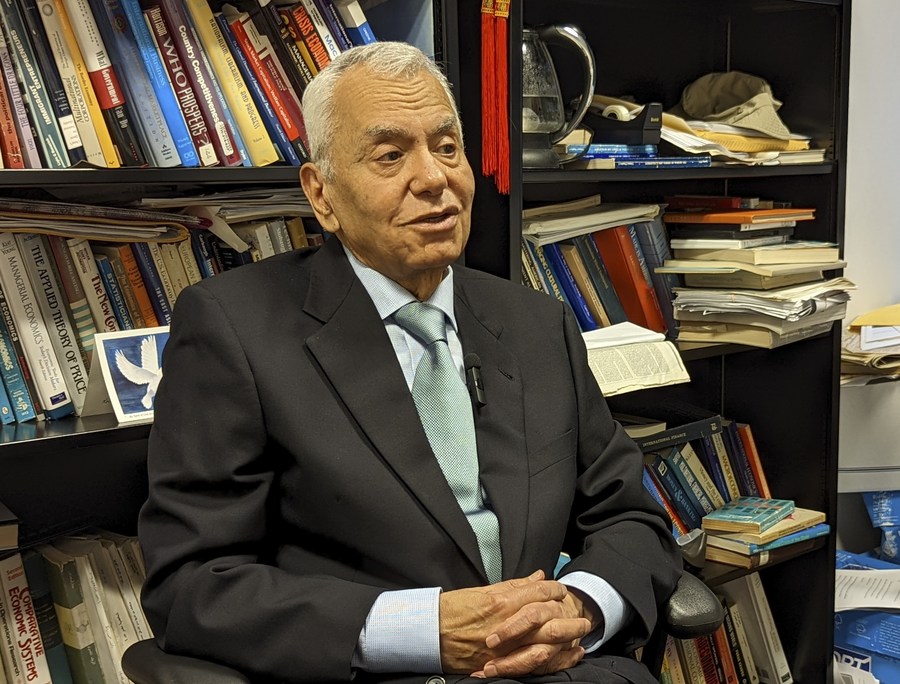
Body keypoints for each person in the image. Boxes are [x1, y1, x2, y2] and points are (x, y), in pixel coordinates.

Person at [138, 41, 681, 684]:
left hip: (557, 668)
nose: (433, 179)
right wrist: (423, 631)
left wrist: (581, 608)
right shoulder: (234, 330)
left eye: (447, 147)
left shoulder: (537, 324)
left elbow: (631, 517)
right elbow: (193, 584)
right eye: (390, 156)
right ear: (321, 194)